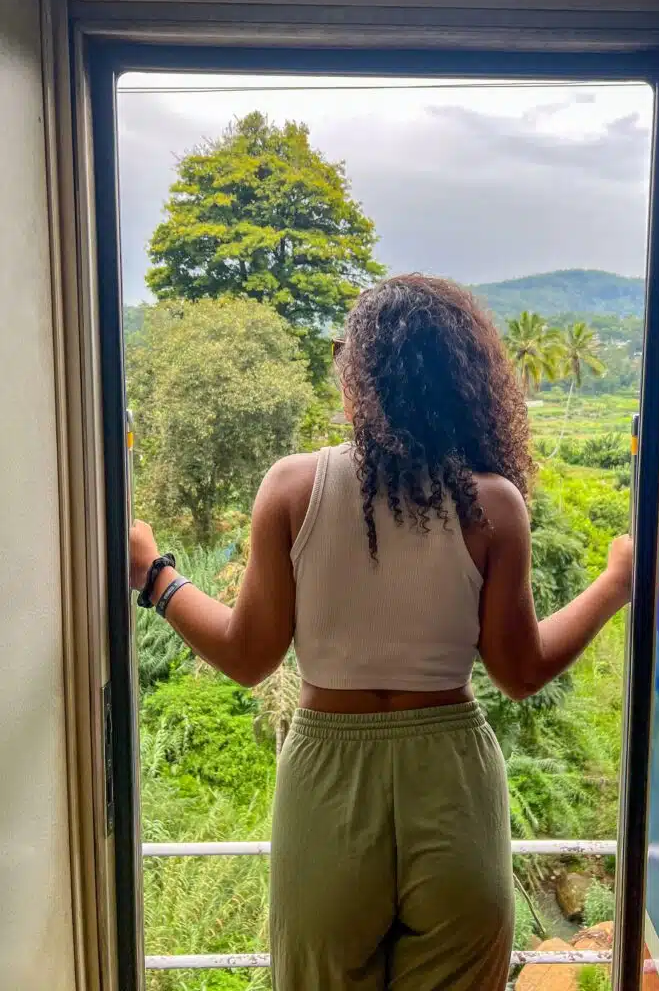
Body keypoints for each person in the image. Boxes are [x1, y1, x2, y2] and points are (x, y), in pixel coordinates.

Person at [130, 274, 633, 991]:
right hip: (452, 774)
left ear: (360, 377)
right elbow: (522, 672)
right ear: (465, 385)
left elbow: (247, 656)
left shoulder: (292, 488)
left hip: (326, 779)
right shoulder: (494, 505)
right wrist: (616, 583)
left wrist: (155, 576)